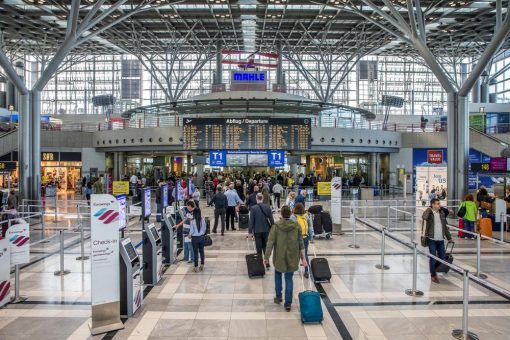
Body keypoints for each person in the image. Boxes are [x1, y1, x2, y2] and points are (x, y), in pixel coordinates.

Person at [264, 205, 307, 312]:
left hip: (279, 257)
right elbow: (301, 244)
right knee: (289, 279)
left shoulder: (276, 226)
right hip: (292, 257)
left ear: (281, 214)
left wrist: (266, 257)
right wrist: (304, 259)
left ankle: (278, 297)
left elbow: (270, 243)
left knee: (278, 275)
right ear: (291, 213)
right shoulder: (296, 226)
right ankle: (288, 304)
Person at [422, 198, 454, 284]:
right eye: (437, 204)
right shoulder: (429, 213)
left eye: (439, 203)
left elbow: (444, 226)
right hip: (431, 239)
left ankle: (434, 269)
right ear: (432, 204)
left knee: (442, 258)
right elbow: (424, 217)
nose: (439, 205)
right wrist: (429, 209)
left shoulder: (442, 213)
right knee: (433, 258)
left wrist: (449, 237)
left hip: (440, 240)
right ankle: (433, 275)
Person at [248, 193, 274, 266]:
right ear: (262, 198)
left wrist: (250, 232)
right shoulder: (267, 207)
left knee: (258, 248)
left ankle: (260, 264)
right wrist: (273, 228)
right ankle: (267, 262)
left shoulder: (253, 208)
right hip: (266, 230)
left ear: (256, 198)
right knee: (265, 246)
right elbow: (271, 220)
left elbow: (251, 221)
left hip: (257, 230)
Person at [291, 203, 313, 278]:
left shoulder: (293, 217)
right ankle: (307, 271)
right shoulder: (306, 216)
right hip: (305, 238)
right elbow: (310, 227)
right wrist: (311, 237)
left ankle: (291, 269)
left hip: (296, 239)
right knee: (304, 254)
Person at [174, 200, 198, 264]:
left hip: (189, 233)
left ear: (190, 206)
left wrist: (190, 233)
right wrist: (178, 225)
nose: (187, 207)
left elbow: (194, 225)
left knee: (190, 246)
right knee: (186, 246)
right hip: (185, 232)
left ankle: (193, 259)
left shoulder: (194, 213)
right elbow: (184, 220)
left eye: (187, 206)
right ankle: (186, 257)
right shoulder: (189, 212)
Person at [187, 200, 206, 272]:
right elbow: (204, 229)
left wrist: (189, 235)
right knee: (202, 251)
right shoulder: (202, 219)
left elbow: (192, 230)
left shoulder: (192, 220)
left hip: (195, 238)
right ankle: (202, 265)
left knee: (195, 252)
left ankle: (196, 267)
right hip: (201, 237)